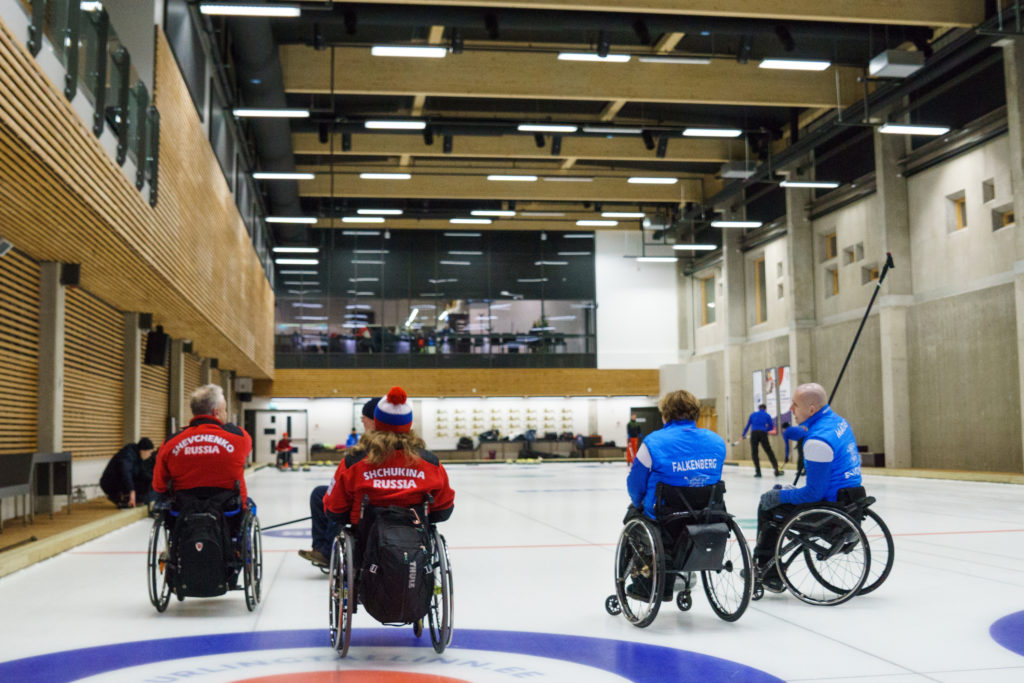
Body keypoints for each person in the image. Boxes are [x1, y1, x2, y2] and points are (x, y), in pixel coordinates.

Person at [752, 383, 862, 591]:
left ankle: (768, 573)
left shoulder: (817, 442)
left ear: (811, 409)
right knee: (781, 492)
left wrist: (781, 496)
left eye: (794, 405)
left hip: (828, 509)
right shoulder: (840, 422)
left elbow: (813, 493)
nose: (790, 410)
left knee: (768, 503)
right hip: (851, 498)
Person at [323, 387, 455, 557]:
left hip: (366, 545)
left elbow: (334, 509)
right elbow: (444, 510)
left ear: (376, 422)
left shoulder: (354, 462)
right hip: (415, 544)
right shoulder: (430, 462)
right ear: (408, 424)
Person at [625, 389, 726, 600]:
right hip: (707, 512)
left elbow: (635, 485)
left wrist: (638, 504)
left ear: (665, 415)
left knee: (631, 517)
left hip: (666, 514)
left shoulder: (653, 443)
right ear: (696, 414)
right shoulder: (716, 441)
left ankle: (646, 581)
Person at [298, 397, 380, 568]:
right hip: (400, 510)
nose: (362, 425)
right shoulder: (417, 454)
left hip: (367, 510)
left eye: (363, 420)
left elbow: (337, 499)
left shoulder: (358, 457)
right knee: (320, 494)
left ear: (372, 421)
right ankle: (321, 548)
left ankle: (327, 551)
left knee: (335, 499)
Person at [153, 384, 254, 512]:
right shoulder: (239, 437)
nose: (226, 413)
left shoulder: (170, 443)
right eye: (225, 410)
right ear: (216, 412)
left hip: (184, 511)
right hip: (228, 510)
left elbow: (159, 484)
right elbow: (247, 451)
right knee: (250, 505)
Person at [99, 437, 156, 508]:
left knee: (148, 481)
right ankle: (122, 496)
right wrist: (131, 491)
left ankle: (134, 499)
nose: (150, 455)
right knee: (130, 478)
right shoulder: (128, 454)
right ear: (143, 450)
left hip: (122, 481)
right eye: (150, 452)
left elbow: (143, 474)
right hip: (110, 483)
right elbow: (126, 472)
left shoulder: (140, 457)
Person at [742, 403, 781, 477]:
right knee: (769, 451)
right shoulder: (767, 415)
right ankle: (776, 470)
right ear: (765, 409)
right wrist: (765, 430)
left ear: (758, 408)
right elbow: (771, 427)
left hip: (754, 433)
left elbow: (748, 426)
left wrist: (743, 434)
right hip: (763, 433)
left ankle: (758, 472)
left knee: (754, 452)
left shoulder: (753, 414)